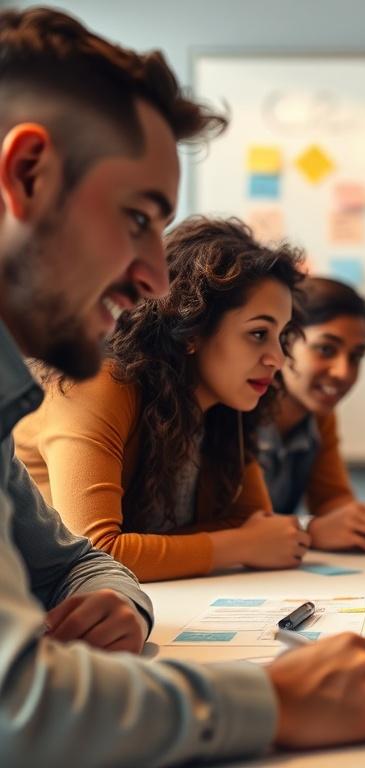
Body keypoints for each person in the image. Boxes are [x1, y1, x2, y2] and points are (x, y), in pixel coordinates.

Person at [0, 8, 365, 765]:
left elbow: (82, 567)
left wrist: (118, 602)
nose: (151, 277)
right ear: (26, 174)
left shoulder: (13, 404)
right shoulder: (93, 384)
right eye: (135, 217)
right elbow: (18, 709)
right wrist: (278, 700)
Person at [16, 216, 316, 582]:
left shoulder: (225, 405)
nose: (278, 359)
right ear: (192, 328)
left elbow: (252, 524)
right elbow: (95, 553)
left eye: (280, 336)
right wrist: (238, 546)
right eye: (257, 333)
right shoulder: (99, 384)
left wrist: (238, 539)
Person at [259, 275, 365, 552]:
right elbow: (226, 525)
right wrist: (311, 530)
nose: (343, 372)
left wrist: (358, 521)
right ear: (283, 342)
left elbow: (331, 501)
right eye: (325, 349)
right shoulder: (237, 410)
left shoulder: (319, 415)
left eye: (356, 356)